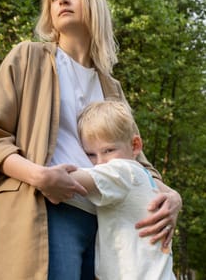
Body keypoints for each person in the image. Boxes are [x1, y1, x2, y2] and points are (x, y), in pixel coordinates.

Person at [0, 0, 182, 280]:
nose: (63, 0)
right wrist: (41, 176)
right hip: (45, 211)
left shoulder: (111, 88)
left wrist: (174, 197)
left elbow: (136, 159)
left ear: (94, 5)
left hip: (105, 226)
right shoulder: (27, 58)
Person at [70, 100, 177, 280]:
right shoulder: (144, 176)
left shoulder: (123, 171)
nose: (100, 162)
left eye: (108, 150)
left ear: (135, 145)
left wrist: (39, 174)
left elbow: (71, 181)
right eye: (90, 154)